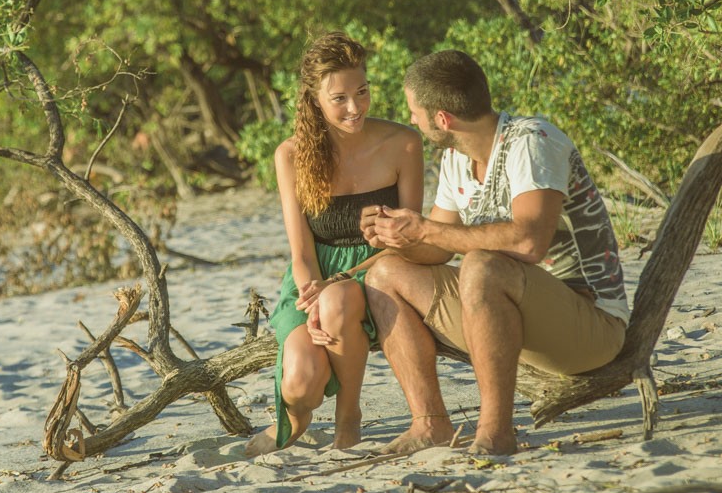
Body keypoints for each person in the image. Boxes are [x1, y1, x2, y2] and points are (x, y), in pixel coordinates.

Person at [361, 50, 629, 456]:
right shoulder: (455, 159)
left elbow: (527, 242)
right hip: (513, 313)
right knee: (384, 275)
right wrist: (395, 238)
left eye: (414, 111)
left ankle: (496, 431)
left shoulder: (532, 141)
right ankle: (429, 424)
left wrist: (425, 229)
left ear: (442, 118)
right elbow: (436, 246)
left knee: (482, 265)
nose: (411, 119)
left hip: (590, 324)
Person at [246, 33, 423, 456]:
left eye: (361, 92)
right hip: (314, 277)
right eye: (339, 98)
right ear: (314, 99)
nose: (355, 108)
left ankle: (349, 420)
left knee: (340, 300)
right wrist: (310, 306)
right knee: (301, 386)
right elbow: (302, 253)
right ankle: (294, 417)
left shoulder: (404, 143)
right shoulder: (291, 155)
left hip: (380, 270)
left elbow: (410, 239)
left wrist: (338, 286)